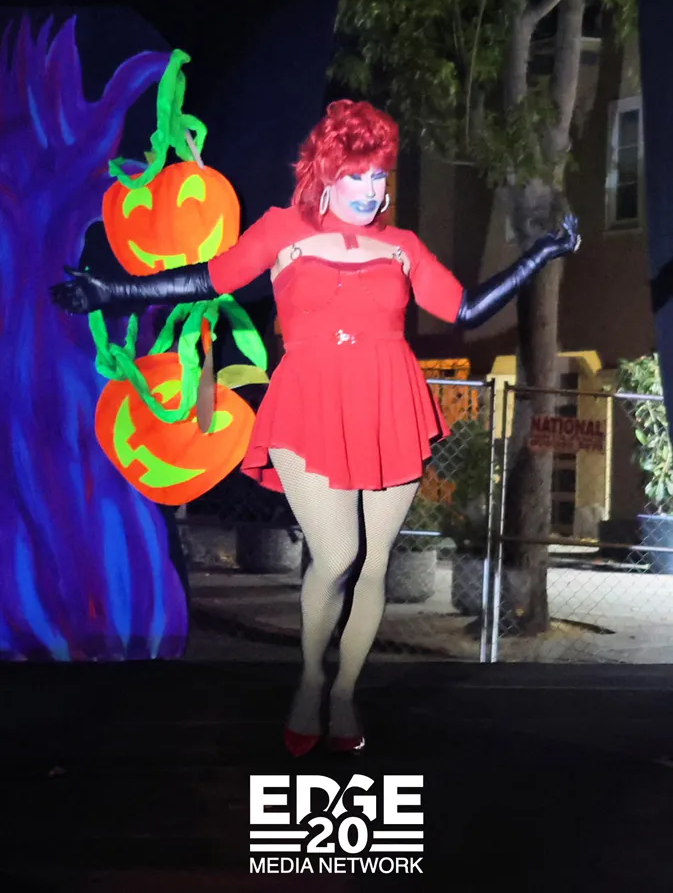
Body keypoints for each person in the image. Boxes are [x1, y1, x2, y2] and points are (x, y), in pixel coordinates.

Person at [51, 99, 580, 756]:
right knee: (335, 557)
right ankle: (309, 680)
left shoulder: (402, 247)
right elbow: (208, 280)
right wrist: (112, 292)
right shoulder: (283, 230)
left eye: (379, 176)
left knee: (374, 564)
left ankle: (344, 693)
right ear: (326, 172)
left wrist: (541, 254)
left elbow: (465, 307)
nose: (370, 190)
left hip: (390, 405)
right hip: (308, 406)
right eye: (356, 175)